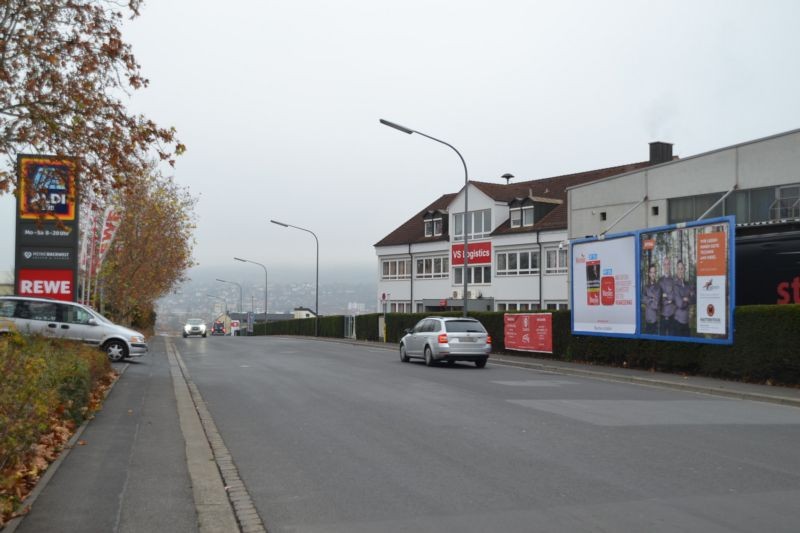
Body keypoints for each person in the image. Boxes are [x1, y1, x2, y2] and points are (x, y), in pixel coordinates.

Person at [673, 259, 695, 337]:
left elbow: (693, 299)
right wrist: (687, 298)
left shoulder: (687, 285)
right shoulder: (675, 285)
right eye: (678, 269)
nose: (680, 271)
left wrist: (686, 299)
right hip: (678, 323)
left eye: (682, 268)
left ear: (684, 270)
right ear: (676, 270)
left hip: (687, 322)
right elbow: (680, 304)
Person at [658, 256, 676, 336]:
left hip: (672, 315)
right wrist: (668, 299)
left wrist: (665, 295)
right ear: (663, 266)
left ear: (670, 265)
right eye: (665, 264)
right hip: (662, 315)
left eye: (668, 264)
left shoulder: (674, 280)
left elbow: (674, 296)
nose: (666, 266)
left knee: (672, 339)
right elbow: (658, 297)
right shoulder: (659, 281)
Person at [642, 263, 660, 334]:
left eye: (654, 272)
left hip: (654, 321)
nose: (653, 274)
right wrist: (651, 298)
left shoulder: (658, 287)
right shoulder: (646, 287)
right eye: (651, 272)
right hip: (647, 321)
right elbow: (643, 299)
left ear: (655, 274)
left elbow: (656, 305)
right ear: (649, 274)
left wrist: (648, 299)